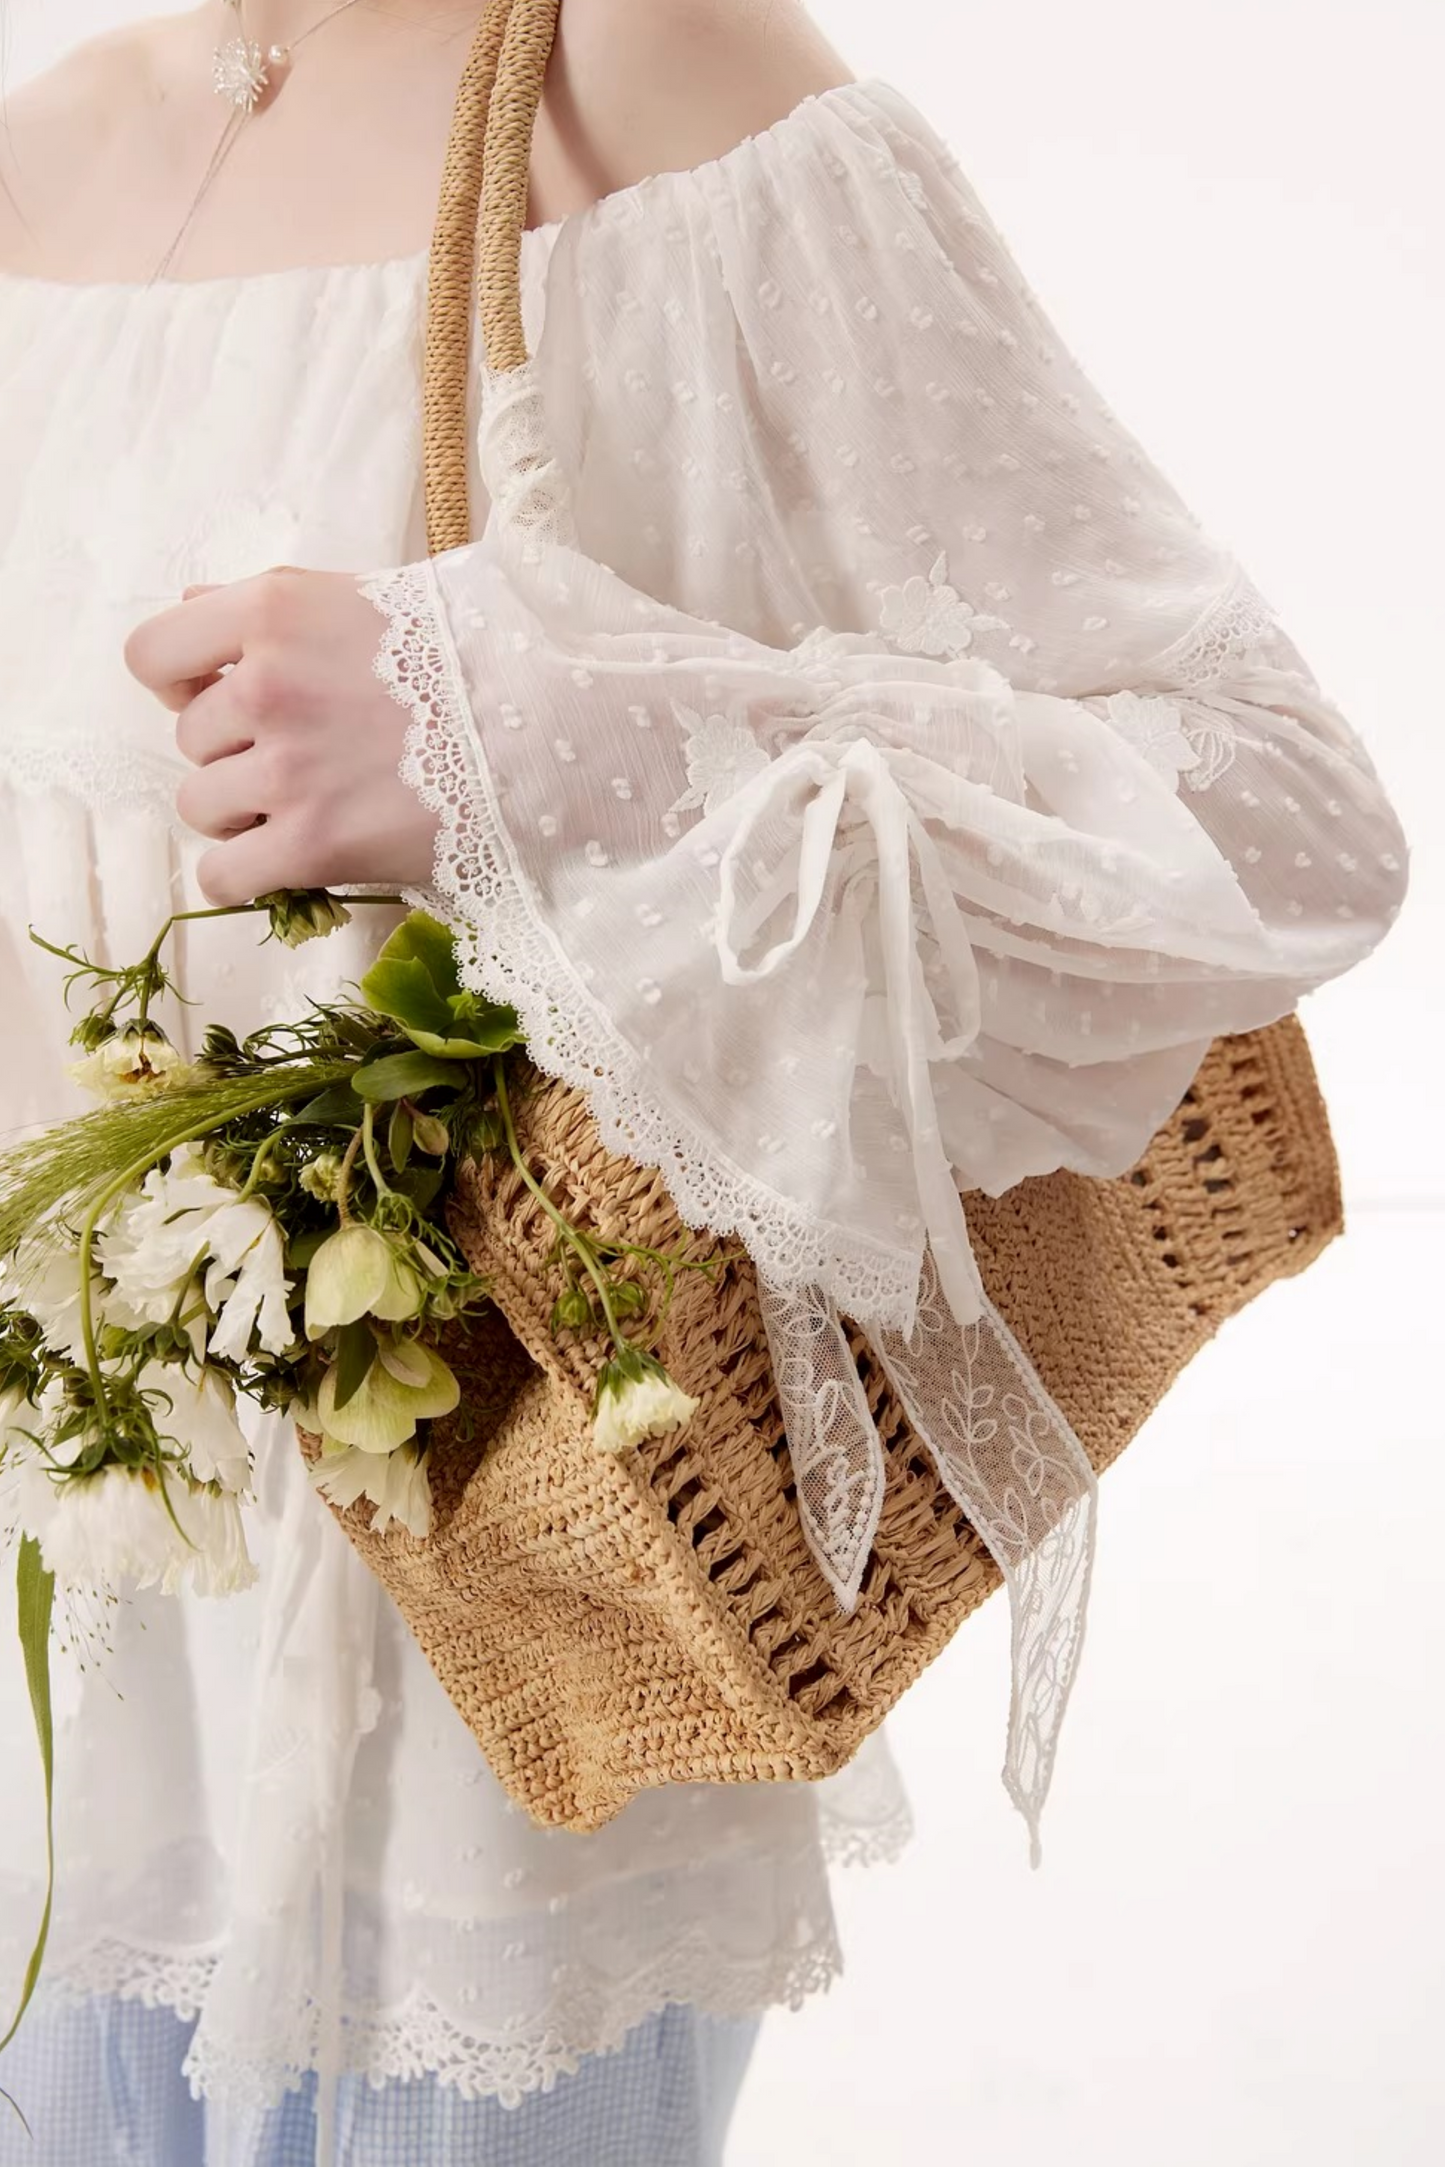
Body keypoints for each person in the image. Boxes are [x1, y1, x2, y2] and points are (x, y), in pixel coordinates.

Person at [0, 2, 1407, 2162]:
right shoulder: (46, 152)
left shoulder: (641, 80)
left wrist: (510, 722)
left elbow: (1277, 818)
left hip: (507, 1713)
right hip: (70, 1734)